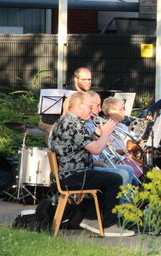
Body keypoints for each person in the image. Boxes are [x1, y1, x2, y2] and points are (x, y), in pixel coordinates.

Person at [50, 91, 134, 237]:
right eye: (90, 106)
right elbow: (95, 149)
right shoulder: (74, 124)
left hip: (69, 173)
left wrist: (97, 134)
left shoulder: (63, 121)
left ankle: (92, 218)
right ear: (79, 106)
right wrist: (106, 133)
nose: (92, 110)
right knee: (115, 179)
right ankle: (107, 224)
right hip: (74, 176)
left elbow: (80, 145)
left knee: (106, 177)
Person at [83, 92, 139, 187]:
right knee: (126, 173)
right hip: (95, 165)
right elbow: (92, 151)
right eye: (121, 108)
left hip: (101, 162)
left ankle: (127, 199)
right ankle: (121, 200)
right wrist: (104, 136)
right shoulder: (85, 125)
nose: (99, 109)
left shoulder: (91, 123)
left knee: (131, 170)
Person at [39, 67, 92, 140]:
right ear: (76, 79)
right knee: (61, 146)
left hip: (65, 124)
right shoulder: (68, 95)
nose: (88, 82)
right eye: (84, 80)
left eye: (89, 79)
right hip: (50, 123)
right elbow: (66, 118)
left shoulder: (85, 94)